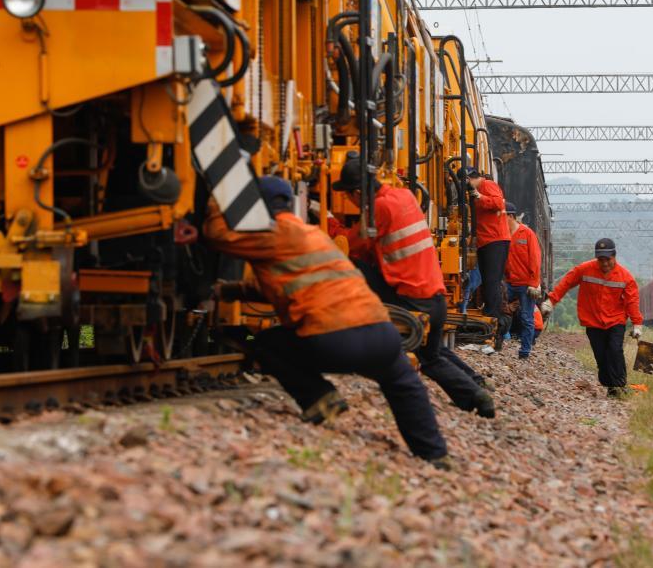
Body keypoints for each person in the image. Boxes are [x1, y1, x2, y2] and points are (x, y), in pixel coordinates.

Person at [202, 175, 450, 467]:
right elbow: (287, 283)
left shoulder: (271, 231)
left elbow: (216, 234)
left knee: (265, 341)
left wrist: (219, 194)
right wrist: (231, 291)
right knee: (403, 383)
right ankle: (435, 454)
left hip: (334, 340)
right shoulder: (312, 235)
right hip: (381, 333)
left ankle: (320, 398)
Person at [328, 153, 495, 418]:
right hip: (435, 296)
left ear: (358, 192)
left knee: (428, 358)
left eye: (348, 195)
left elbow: (354, 246)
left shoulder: (379, 210)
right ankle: (477, 389)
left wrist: (330, 223)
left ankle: (476, 394)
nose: (348, 200)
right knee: (434, 353)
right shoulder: (405, 197)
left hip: (413, 300)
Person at [540, 238, 643, 397]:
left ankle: (619, 386)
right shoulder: (585, 269)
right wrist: (551, 301)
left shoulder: (625, 277)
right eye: (601, 260)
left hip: (615, 320)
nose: (604, 263)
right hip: (593, 321)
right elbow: (567, 282)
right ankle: (610, 384)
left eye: (607, 259)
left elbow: (632, 301)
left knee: (615, 351)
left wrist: (637, 324)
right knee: (601, 356)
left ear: (614, 257)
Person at [464, 167, 511, 342]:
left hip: (495, 240)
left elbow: (499, 203)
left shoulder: (488, 185)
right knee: (487, 281)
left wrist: (480, 197)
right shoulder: (477, 190)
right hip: (486, 241)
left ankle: (493, 317)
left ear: (471, 178)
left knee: (492, 281)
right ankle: (490, 314)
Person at [503, 202, 542, 359]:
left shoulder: (527, 234)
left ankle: (525, 351)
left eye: (502, 217)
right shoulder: (503, 236)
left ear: (510, 216)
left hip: (526, 284)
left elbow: (535, 259)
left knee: (527, 317)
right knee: (497, 308)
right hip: (509, 282)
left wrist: (534, 283)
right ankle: (498, 341)